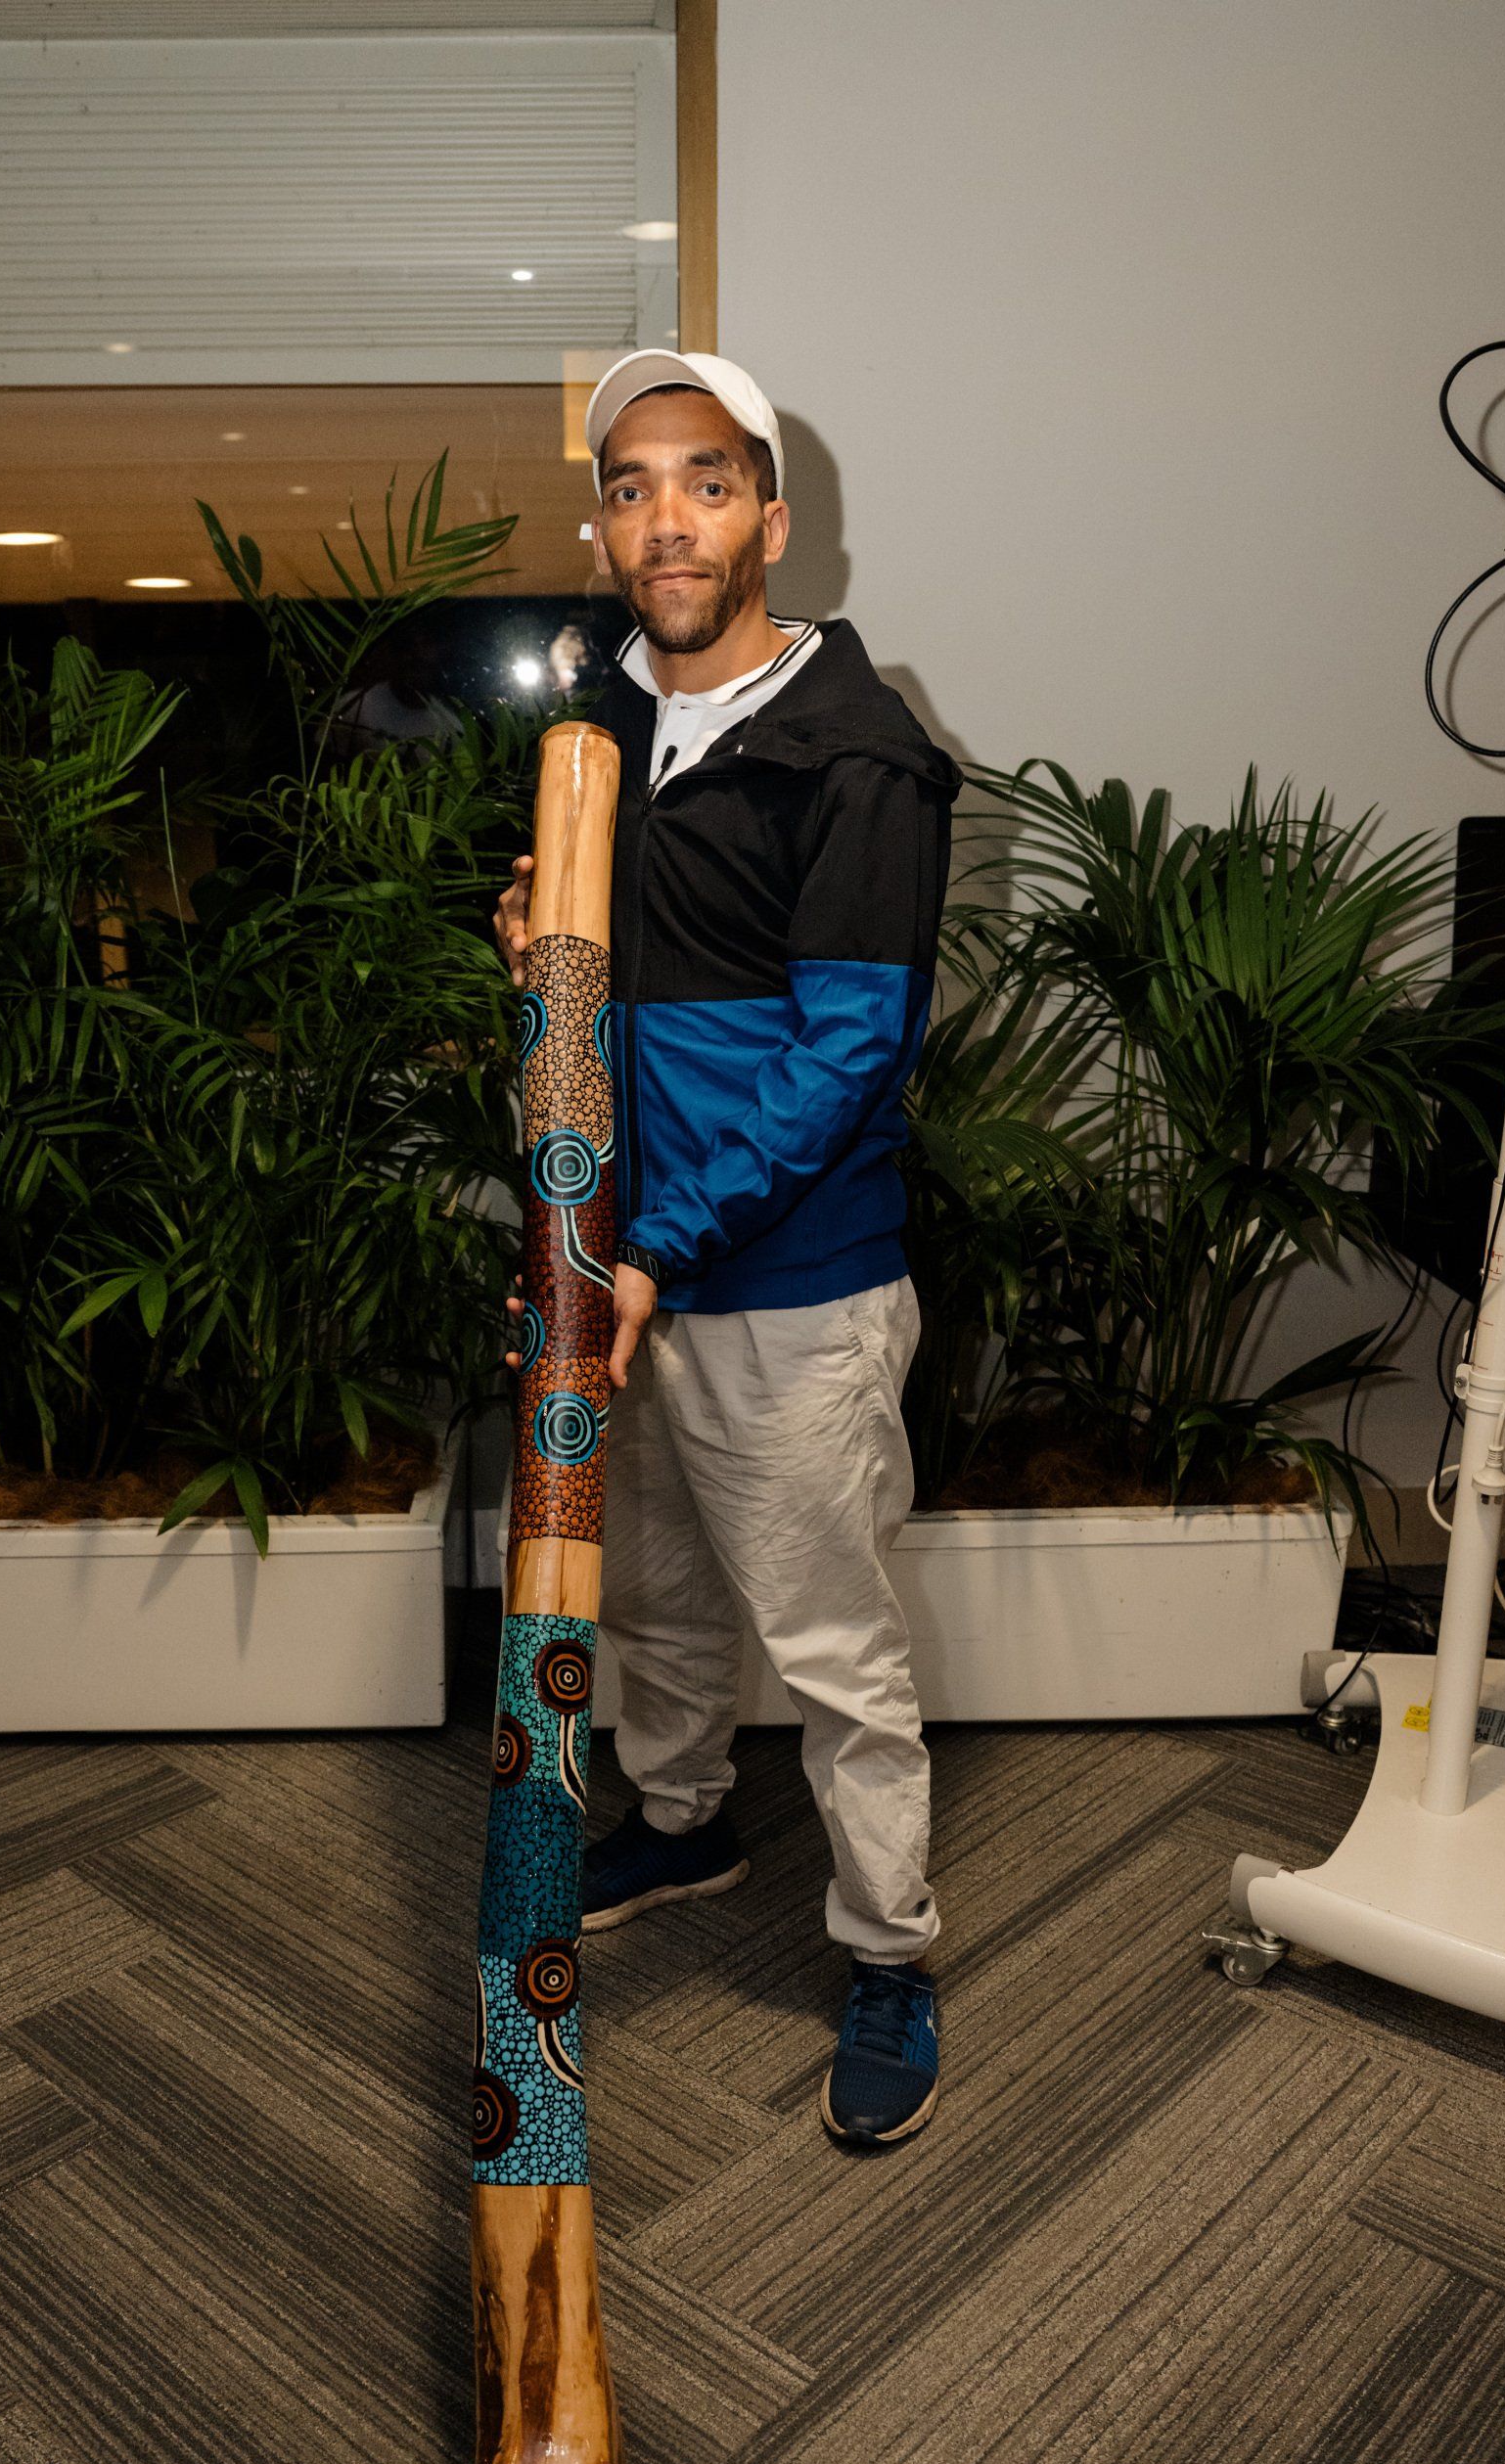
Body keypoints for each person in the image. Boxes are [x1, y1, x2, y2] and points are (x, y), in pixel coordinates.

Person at [493, 349, 958, 2149]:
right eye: (627, 485)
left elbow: (844, 1057)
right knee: (665, 1601)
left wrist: (654, 1250)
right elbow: (594, 1015)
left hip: (785, 1289)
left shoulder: (857, 751)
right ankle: (683, 1821)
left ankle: (891, 1951)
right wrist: (542, 984)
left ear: (772, 511)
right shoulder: (600, 734)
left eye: (701, 480)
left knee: (832, 1651)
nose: (661, 518)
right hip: (628, 1272)